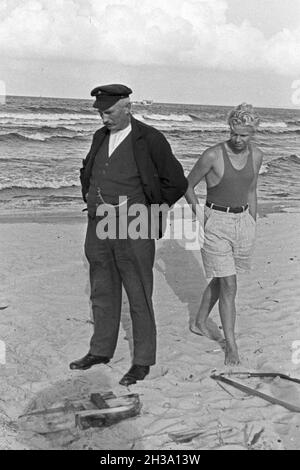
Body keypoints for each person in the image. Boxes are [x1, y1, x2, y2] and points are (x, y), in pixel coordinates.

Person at [69, 84, 187, 385]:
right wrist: (89, 196)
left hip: (135, 224)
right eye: (100, 113)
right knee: (102, 289)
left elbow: (176, 182)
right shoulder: (100, 136)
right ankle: (100, 350)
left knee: (138, 293)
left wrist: (151, 213)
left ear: (127, 107)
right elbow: (90, 170)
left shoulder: (150, 139)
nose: (104, 119)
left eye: (108, 112)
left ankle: (143, 360)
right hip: (99, 224)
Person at [185, 103, 263, 365]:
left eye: (244, 134)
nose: (238, 139)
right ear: (229, 128)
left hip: (243, 222)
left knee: (221, 280)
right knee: (229, 284)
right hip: (215, 222)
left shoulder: (257, 155)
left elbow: (251, 189)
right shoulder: (212, 155)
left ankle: (198, 321)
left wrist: (252, 220)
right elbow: (187, 185)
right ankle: (231, 345)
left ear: (253, 133)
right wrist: (199, 214)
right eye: (234, 133)